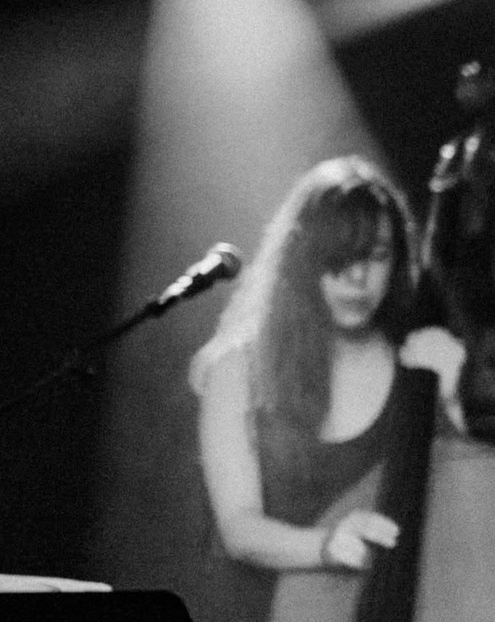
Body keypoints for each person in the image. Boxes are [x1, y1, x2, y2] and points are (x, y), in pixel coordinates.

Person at [191, 156, 466, 581]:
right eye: (340, 257)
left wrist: (447, 400)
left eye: (376, 256)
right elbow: (239, 529)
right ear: (302, 259)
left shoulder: (414, 362)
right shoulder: (238, 369)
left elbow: (462, 513)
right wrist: (326, 544)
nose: (358, 277)